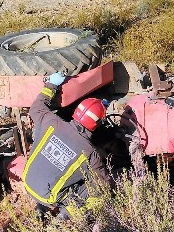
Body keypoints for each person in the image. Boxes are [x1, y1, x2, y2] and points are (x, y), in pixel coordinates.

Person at [22, 72, 112, 220]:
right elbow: (103, 183)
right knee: (99, 191)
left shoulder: (50, 122)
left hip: (27, 181)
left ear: (76, 111)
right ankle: (64, 219)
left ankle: (40, 208)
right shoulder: (89, 152)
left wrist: (51, 84)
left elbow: (36, 107)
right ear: (98, 124)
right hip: (48, 196)